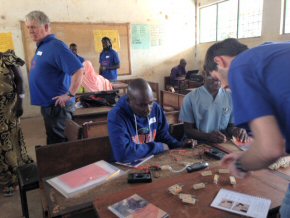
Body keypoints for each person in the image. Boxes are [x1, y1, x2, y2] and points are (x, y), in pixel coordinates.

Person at [203, 38, 290, 217]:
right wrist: (252, 153)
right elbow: (279, 141)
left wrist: (241, 164)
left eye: (217, 78)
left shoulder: (240, 66)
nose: (224, 87)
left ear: (220, 62)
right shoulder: (271, 52)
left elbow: (270, 149)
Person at [25, 11, 84, 144]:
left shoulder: (56, 46)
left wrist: (69, 94)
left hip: (58, 107)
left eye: (33, 27)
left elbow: (79, 70)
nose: (30, 31)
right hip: (49, 106)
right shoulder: (43, 47)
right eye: (28, 28)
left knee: (60, 144)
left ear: (46, 27)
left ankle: (68, 166)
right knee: (53, 141)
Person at [108, 78, 196, 162]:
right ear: (129, 101)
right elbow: (123, 154)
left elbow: (163, 135)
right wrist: (158, 147)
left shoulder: (156, 108)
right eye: (142, 105)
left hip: (150, 160)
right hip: (125, 166)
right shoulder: (116, 116)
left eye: (150, 103)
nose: (148, 109)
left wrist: (179, 145)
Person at [179, 70, 248, 143]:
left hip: (221, 143)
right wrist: (207, 136)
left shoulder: (230, 97)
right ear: (204, 74)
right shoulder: (190, 98)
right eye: (213, 74)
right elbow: (188, 130)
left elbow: (230, 127)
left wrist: (236, 130)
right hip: (198, 143)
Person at [0, 50, 33, 196]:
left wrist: (20, 102)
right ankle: (3, 176)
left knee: (11, 141)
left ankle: (14, 177)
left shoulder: (8, 58)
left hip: (8, 109)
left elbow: (19, 80)